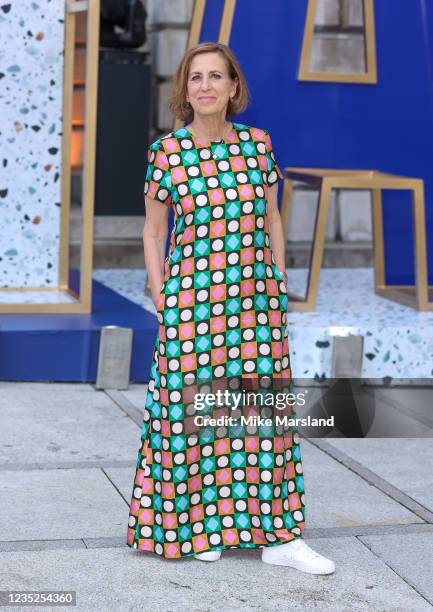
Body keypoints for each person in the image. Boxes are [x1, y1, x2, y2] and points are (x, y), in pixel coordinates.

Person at [126, 41, 335, 575]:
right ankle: (197, 528)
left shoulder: (258, 146)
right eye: (195, 77)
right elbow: (153, 231)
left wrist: (278, 280)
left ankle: (279, 538)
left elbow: (272, 219)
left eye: (216, 76)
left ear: (233, 87)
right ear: (185, 89)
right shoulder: (166, 153)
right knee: (194, 416)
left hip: (255, 302)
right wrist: (159, 292)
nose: (205, 86)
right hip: (192, 302)